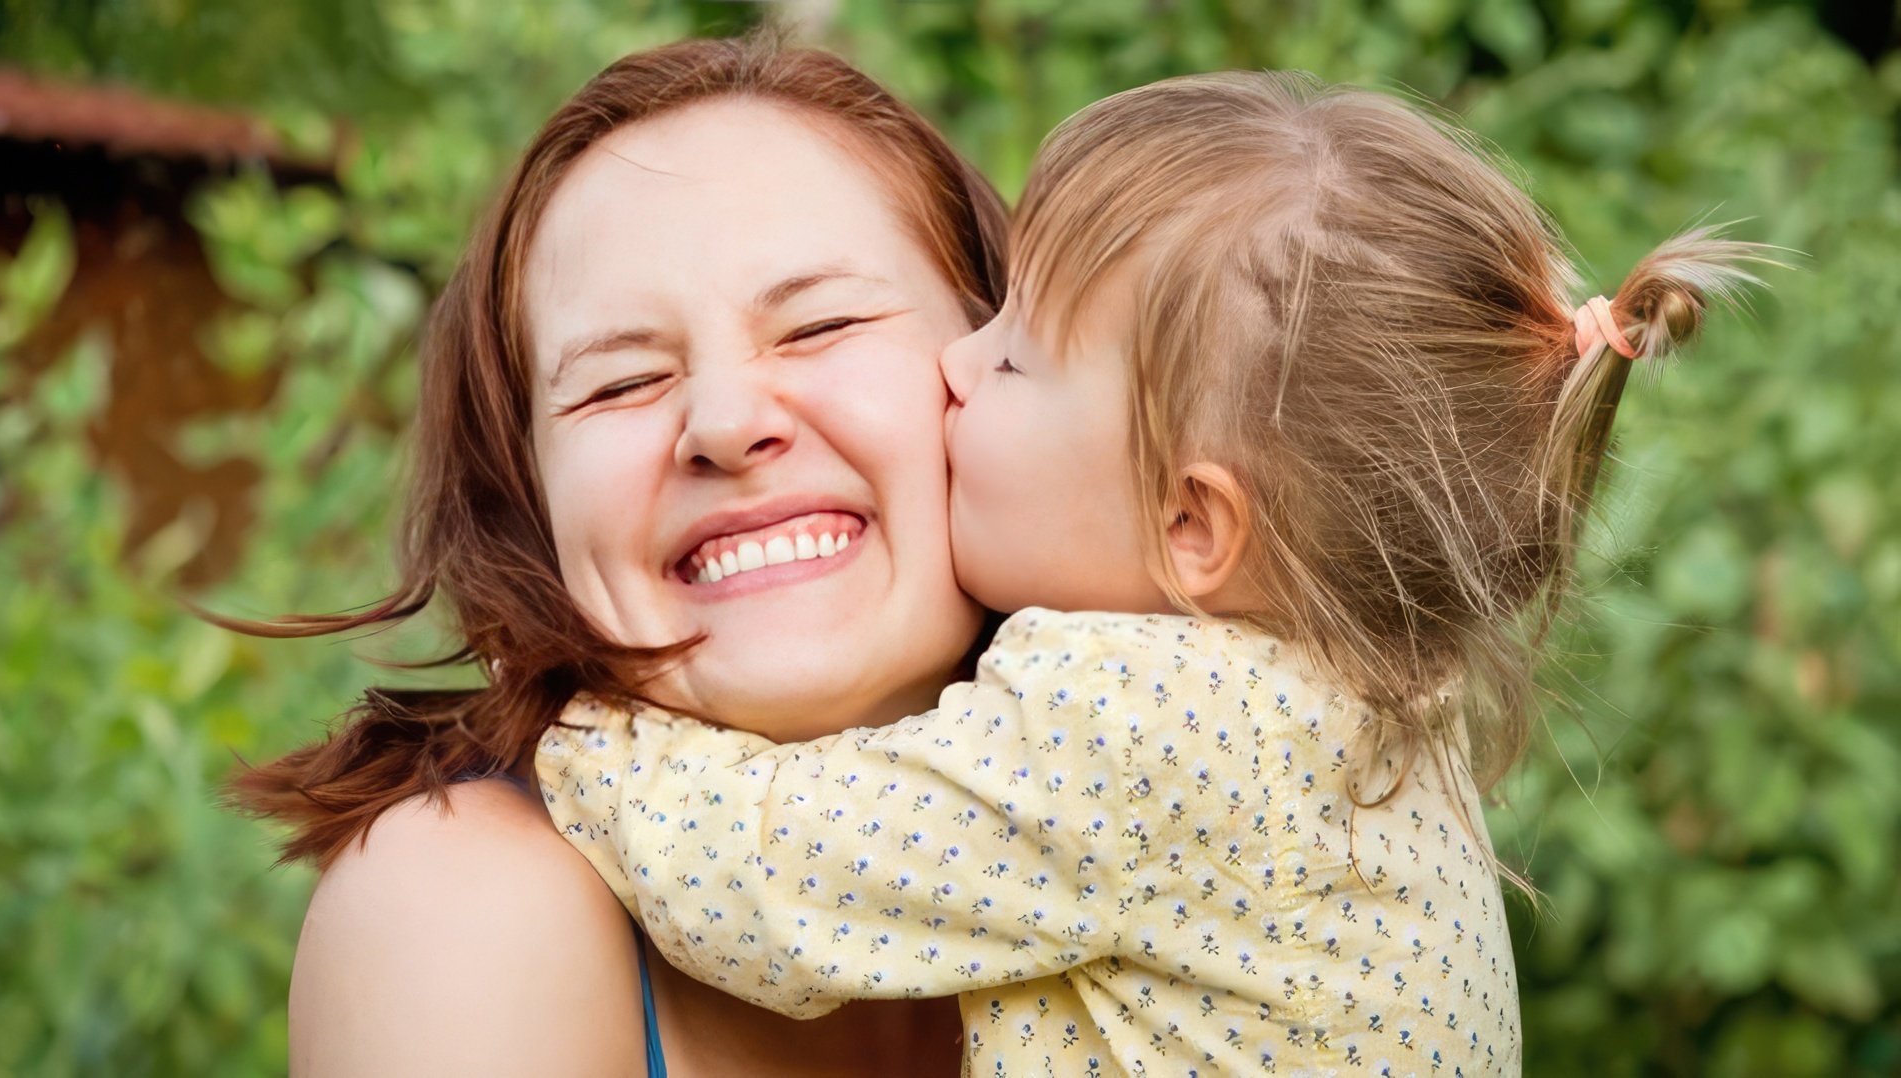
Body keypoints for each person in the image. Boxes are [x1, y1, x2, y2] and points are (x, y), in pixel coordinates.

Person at [538, 71, 1768, 1075]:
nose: (957, 368)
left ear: (1191, 523)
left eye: (1015, 359)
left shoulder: (1141, 721)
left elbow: (762, 885)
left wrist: (575, 720)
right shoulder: (1369, 699)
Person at [224, 36, 1007, 1076]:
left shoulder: (1234, 789)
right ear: (527, 503)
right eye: (619, 383)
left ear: (1010, 365)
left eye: (820, 323)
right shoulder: (458, 905)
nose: (725, 423)